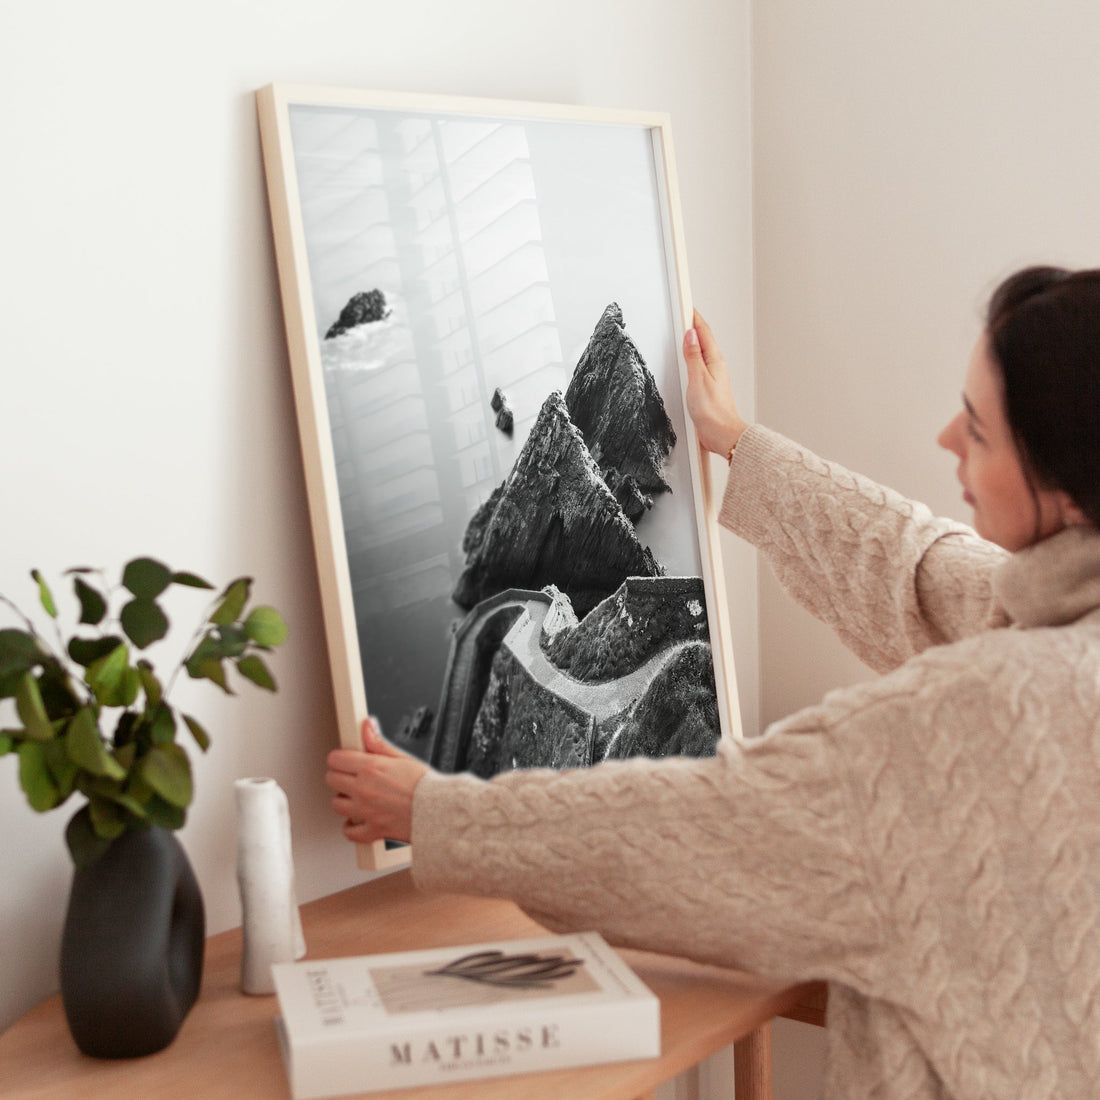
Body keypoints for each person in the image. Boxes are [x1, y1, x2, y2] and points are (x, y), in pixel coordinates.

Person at [326, 266, 1100, 1099]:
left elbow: (705, 828)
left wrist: (435, 811)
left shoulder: (976, 719)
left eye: (980, 432)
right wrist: (735, 440)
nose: (948, 437)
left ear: (1064, 488)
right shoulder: (1061, 622)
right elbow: (916, 568)